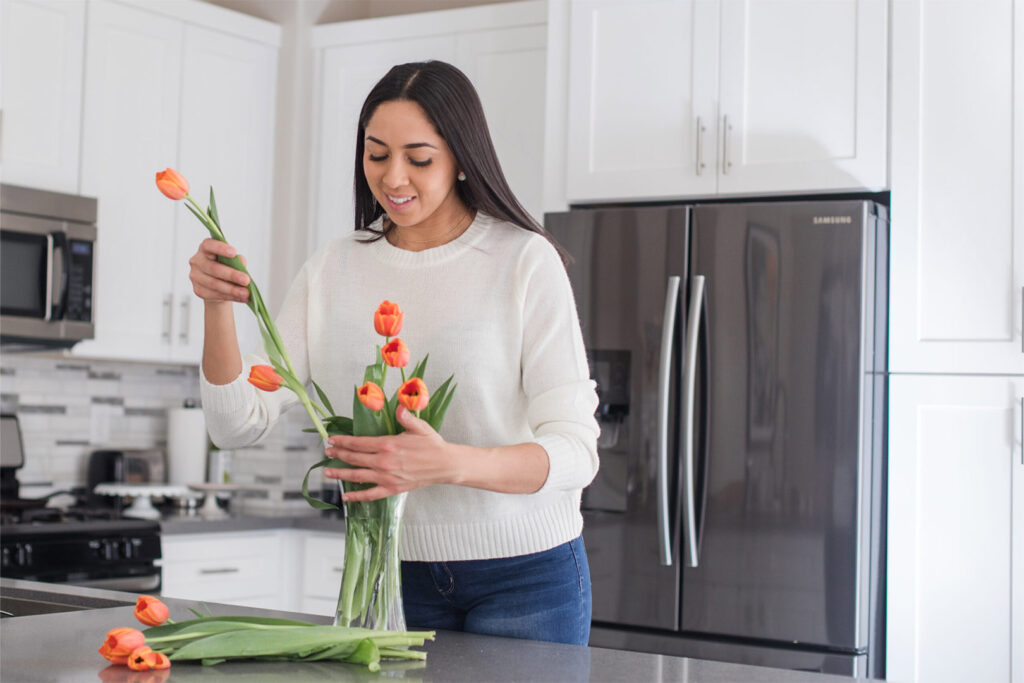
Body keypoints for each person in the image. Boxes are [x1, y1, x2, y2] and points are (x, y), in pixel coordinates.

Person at [189, 60, 600, 646]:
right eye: (377, 154)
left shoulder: (523, 261)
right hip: (385, 578)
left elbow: (576, 452)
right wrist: (215, 304)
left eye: (419, 158)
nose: (394, 177)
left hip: (527, 575)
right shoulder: (334, 267)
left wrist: (449, 463)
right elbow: (236, 425)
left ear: (460, 157)